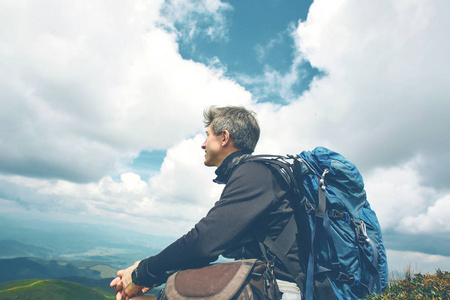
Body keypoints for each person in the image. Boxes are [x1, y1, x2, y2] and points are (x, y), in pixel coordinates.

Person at [110, 106, 303, 300]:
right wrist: (150, 277)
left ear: (224, 138)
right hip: (270, 287)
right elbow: (206, 248)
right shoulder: (253, 175)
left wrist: (141, 273)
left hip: (282, 291)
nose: (203, 144)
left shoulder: (254, 174)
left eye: (207, 135)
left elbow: (202, 243)